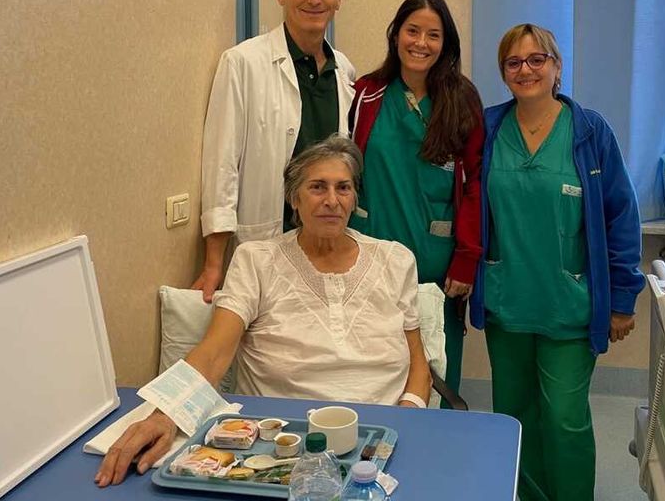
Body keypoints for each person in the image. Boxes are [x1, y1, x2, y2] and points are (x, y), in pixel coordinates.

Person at [96, 136, 432, 488]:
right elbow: (214, 353)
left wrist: (406, 421)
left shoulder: (395, 260)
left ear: (354, 198)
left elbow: (418, 363)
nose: (332, 200)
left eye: (343, 188)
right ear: (294, 198)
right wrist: (164, 415)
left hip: (381, 436)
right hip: (281, 441)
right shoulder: (257, 260)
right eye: (317, 187)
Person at [468, 23, 644, 501]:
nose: (525, 70)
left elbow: (621, 215)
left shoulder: (589, 132)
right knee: (514, 416)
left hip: (570, 304)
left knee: (565, 418)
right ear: (503, 72)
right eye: (513, 62)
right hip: (508, 301)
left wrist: (623, 298)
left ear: (556, 66)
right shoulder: (487, 128)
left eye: (536, 59)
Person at [192, 0, 356, 302]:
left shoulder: (343, 70)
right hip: (266, 243)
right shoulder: (243, 63)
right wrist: (214, 263)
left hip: (325, 245)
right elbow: (222, 164)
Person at [349, 0, 483, 399]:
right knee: (375, 373)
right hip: (370, 253)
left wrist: (467, 257)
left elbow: (475, 184)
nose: (421, 43)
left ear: (446, 43)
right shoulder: (366, 94)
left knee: (436, 371)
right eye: (412, 31)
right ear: (396, 35)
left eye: (433, 34)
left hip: (435, 262)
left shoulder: (462, 99)